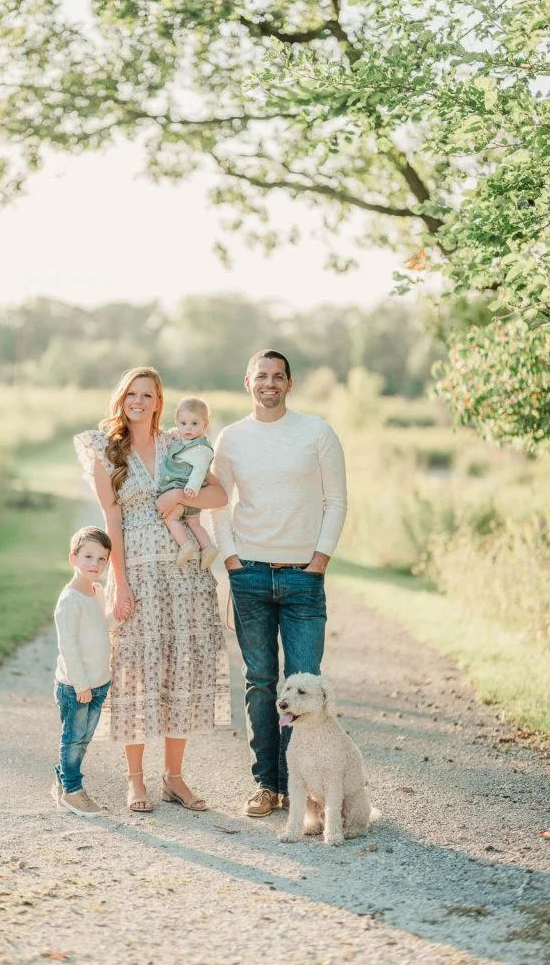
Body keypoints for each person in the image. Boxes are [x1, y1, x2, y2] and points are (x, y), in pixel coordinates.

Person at [74, 367, 231, 813]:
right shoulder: (106, 451)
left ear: (159, 400)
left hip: (184, 579)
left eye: (147, 394)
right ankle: (136, 780)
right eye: (131, 393)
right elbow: (112, 521)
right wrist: (119, 583)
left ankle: (175, 778)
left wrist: (179, 498)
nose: (138, 401)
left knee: (181, 668)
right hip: (138, 576)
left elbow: (218, 496)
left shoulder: (177, 443)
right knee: (135, 673)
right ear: (122, 398)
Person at [208, 350, 347, 818]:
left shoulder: (317, 432)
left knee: (305, 687)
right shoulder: (231, 438)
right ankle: (269, 784)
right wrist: (230, 558)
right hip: (248, 573)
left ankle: (303, 792)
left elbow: (336, 500)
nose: (269, 383)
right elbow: (217, 501)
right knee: (261, 683)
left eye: (277, 376)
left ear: (290, 382)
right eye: (261, 375)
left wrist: (320, 558)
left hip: (303, 578)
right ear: (248, 381)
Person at [52, 526, 119, 818]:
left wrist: (117, 616)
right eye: (88, 556)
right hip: (76, 686)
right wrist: (80, 684)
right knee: (73, 739)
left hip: (98, 682)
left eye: (102, 559)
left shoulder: (97, 592)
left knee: (83, 739)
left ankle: (63, 779)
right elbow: (68, 646)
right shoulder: (69, 602)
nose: (95, 563)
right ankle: (73, 792)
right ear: (73, 559)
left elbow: (99, 626)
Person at [158, 396, 219, 570]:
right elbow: (182, 438)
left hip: (185, 492)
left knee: (171, 517)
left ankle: (186, 545)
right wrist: (178, 431)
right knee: (194, 523)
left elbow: (200, 469)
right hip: (188, 494)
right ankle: (207, 547)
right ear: (177, 423)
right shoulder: (187, 440)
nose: (188, 428)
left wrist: (192, 487)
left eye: (194, 424)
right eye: (183, 424)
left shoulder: (201, 449)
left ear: (205, 425)